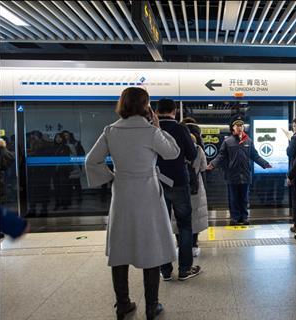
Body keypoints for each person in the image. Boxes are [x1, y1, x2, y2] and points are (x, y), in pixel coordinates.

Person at [85, 87, 180, 320]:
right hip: (148, 192)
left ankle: (123, 304)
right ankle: (151, 306)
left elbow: (91, 160)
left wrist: (110, 176)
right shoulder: (150, 131)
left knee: (120, 246)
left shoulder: (110, 130)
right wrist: (157, 128)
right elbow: (172, 153)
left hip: (123, 192)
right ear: (146, 106)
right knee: (152, 246)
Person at [155, 98, 201, 281]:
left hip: (156, 182)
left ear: (157, 111)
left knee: (162, 226)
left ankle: (165, 270)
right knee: (184, 226)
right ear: (174, 111)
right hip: (179, 181)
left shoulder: (151, 128)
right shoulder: (181, 129)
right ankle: (184, 269)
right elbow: (192, 154)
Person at [207, 116, 272, 225]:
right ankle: (235, 218)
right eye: (237, 126)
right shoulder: (228, 141)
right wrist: (213, 164)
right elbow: (221, 156)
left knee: (244, 198)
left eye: (241, 126)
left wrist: (264, 163)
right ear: (233, 128)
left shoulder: (248, 141)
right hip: (232, 175)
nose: (239, 127)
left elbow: (255, 156)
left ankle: (244, 217)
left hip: (245, 174)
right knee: (233, 198)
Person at [171, 124, 208, 257]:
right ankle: (193, 246)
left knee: (177, 218)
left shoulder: (174, 149)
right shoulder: (198, 150)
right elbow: (203, 167)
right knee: (195, 218)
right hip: (195, 188)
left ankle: (179, 245)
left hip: (178, 186)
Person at [51, 133, 73, 211]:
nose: (58, 139)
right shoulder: (52, 147)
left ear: (63, 138)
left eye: (60, 137)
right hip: (55, 170)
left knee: (64, 187)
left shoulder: (66, 147)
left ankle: (65, 203)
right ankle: (57, 203)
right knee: (56, 188)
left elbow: (65, 158)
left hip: (63, 170)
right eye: (56, 137)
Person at [0, 138, 15, 203]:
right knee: (6, 184)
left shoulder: (1, 151)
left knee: (3, 185)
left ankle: (3, 199)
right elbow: (12, 158)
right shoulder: (5, 150)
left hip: (2, 171)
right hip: (5, 170)